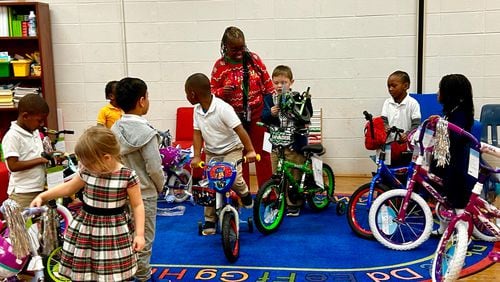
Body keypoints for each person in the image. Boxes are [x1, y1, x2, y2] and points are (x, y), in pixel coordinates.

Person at [30, 126, 145, 281]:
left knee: (111, 269)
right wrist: (43, 196)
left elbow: (137, 205)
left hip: (114, 230)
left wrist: (140, 234)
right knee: (87, 267)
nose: (86, 166)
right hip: (87, 226)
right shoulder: (88, 170)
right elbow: (69, 187)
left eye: (89, 163)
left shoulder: (127, 176)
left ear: (106, 158)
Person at [186, 73, 256, 235]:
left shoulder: (223, 108)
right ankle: (210, 220)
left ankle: (244, 193)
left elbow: (240, 130)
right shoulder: (197, 111)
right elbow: (197, 134)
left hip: (232, 149)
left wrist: (250, 150)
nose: (186, 97)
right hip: (212, 151)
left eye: (186, 93)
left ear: (192, 94)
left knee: (233, 178)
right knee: (212, 183)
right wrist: (197, 156)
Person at [111, 77, 165, 281]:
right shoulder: (147, 133)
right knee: (143, 239)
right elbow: (154, 167)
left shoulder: (114, 130)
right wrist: (159, 187)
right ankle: (143, 277)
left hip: (119, 194)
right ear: (142, 101)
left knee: (123, 239)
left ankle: (124, 276)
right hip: (145, 195)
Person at [210, 26, 274, 189]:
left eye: (242, 47)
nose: (239, 52)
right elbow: (210, 93)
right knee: (239, 155)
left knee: (263, 153)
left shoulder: (253, 59)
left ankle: (267, 192)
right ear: (225, 46)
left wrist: (271, 112)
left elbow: (268, 86)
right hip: (233, 117)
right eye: (234, 49)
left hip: (258, 113)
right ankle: (240, 192)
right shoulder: (220, 66)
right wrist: (221, 91)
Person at [261, 65, 313, 217]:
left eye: (283, 82)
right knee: (277, 174)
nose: (279, 86)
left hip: (293, 144)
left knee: (294, 174)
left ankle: (294, 203)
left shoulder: (298, 98)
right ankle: (280, 199)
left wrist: (295, 109)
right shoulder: (269, 98)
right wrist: (270, 113)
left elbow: (306, 116)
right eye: (276, 82)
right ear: (272, 82)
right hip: (276, 144)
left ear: (291, 82)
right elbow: (263, 117)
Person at [431, 74, 476, 235]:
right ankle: (445, 227)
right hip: (449, 161)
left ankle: (465, 235)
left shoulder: (461, 114)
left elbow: (456, 136)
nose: (437, 93)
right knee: (444, 197)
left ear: (450, 94)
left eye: (440, 89)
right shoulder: (452, 112)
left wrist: (442, 124)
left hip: (458, 164)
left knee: (457, 200)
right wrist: (439, 121)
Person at [1, 94, 49, 209]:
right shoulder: (13, 136)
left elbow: (34, 154)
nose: (41, 124)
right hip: (23, 193)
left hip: (39, 188)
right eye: (39, 120)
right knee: (24, 225)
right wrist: (40, 160)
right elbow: (12, 165)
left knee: (39, 225)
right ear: (25, 116)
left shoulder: (34, 131)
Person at [381, 70, 421, 164]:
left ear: (405, 86)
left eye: (394, 86)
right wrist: (385, 126)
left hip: (406, 147)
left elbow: (416, 125)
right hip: (389, 146)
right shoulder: (387, 103)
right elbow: (383, 120)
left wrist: (407, 134)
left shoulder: (413, 103)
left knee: (404, 171)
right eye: (388, 86)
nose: (390, 89)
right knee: (388, 171)